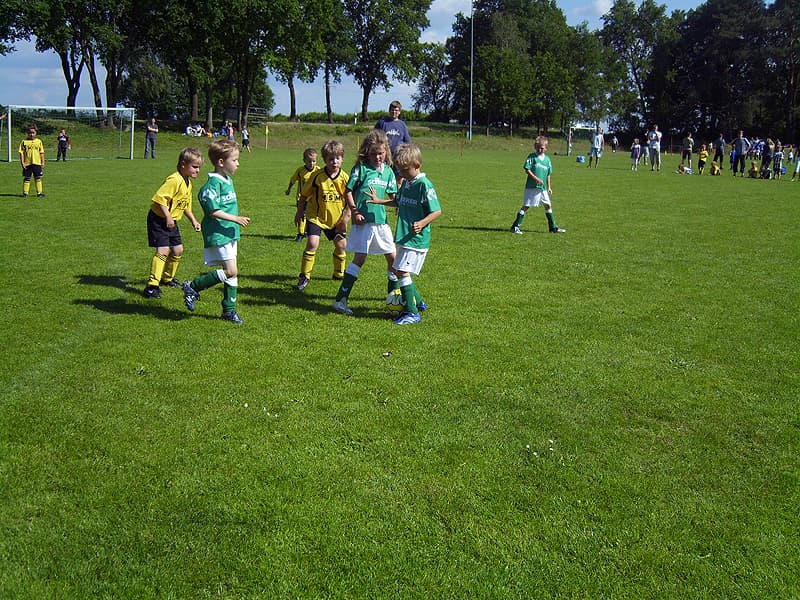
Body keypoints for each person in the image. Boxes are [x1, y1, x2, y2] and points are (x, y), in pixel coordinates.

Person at [366, 144, 441, 325]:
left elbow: (437, 211)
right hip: (405, 236)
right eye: (400, 170)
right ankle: (419, 302)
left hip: (416, 239)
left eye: (405, 169)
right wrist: (379, 201)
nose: (402, 173)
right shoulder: (407, 183)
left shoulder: (424, 184)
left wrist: (422, 223)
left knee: (401, 271)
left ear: (417, 164)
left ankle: (412, 312)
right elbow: (398, 201)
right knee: (398, 269)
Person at [182, 140, 251, 324]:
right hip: (219, 233)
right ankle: (193, 286)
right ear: (221, 162)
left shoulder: (228, 180)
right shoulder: (212, 185)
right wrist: (236, 219)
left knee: (232, 273)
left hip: (229, 232)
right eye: (234, 160)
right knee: (231, 270)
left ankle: (228, 310)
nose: (238, 163)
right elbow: (212, 211)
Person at [332, 129, 398, 316]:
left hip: (381, 223)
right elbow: (348, 191)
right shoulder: (360, 169)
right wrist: (354, 211)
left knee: (393, 259)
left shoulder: (389, 173)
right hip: (364, 223)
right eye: (374, 153)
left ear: (386, 152)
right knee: (360, 259)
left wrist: (400, 202)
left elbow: (394, 198)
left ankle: (394, 302)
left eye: (381, 153)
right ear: (367, 153)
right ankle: (340, 300)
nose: (378, 157)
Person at [143, 148, 203, 299]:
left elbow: (185, 206)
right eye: (195, 167)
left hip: (171, 220)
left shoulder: (188, 183)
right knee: (163, 251)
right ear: (183, 164)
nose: (198, 170)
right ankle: (152, 286)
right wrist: (168, 217)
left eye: (199, 167)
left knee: (178, 250)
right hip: (159, 219)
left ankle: (167, 279)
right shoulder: (174, 180)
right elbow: (159, 198)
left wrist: (194, 221)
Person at [293, 140, 350, 291]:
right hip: (316, 217)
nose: (334, 161)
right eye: (331, 158)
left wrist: (346, 219)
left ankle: (339, 273)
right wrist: (299, 213)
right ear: (324, 160)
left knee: (341, 245)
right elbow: (304, 196)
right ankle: (304, 276)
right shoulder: (317, 176)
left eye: (337, 158)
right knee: (312, 243)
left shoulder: (345, 178)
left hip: (336, 220)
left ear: (342, 159)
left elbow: (352, 201)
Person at [510, 135, 565, 235]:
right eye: (538, 147)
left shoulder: (547, 160)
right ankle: (515, 226)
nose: (540, 149)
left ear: (546, 148)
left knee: (548, 205)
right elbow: (527, 169)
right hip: (532, 187)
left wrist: (549, 187)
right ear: (535, 146)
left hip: (543, 188)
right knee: (526, 206)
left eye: (542, 148)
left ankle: (553, 227)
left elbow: (548, 174)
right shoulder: (532, 157)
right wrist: (536, 179)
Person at [285, 148, 320, 242]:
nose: (311, 163)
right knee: (302, 215)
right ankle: (300, 233)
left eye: (314, 161)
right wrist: (289, 189)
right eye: (309, 161)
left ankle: (307, 232)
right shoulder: (300, 171)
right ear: (304, 161)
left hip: (313, 199)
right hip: (302, 198)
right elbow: (292, 180)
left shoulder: (318, 171)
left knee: (311, 216)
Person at [375, 100, 410, 176]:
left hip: (397, 157)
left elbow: (407, 142)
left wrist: (404, 154)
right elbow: (374, 137)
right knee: (383, 175)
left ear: (399, 112)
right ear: (389, 111)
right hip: (384, 157)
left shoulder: (402, 125)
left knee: (399, 178)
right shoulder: (382, 123)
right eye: (392, 110)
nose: (394, 112)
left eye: (396, 110)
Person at [19, 124, 45, 198]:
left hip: (37, 163)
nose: (31, 134)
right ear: (27, 133)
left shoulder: (39, 141)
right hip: (27, 163)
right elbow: (21, 153)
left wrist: (43, 162)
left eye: (33, 132)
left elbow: (42, 153)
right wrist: (22, 162)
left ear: (36, 133)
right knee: (27, 178)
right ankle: (25, 193)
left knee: (38, 178)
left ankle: (39, 193)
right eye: (30, 133)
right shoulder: (24, 142)